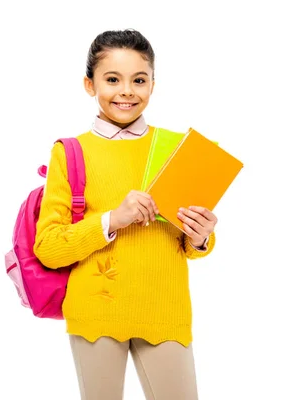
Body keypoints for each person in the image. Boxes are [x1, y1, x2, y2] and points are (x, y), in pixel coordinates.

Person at [34, 29, 218, 400]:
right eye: (112, 79)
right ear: (90, 84)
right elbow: (48, 248)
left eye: (139, 80)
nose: (127, 91)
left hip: (164, 307)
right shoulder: (70, 153)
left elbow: (189, 243)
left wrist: (201, 236)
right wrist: (112, 220)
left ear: (153, 83)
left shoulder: (177, 148)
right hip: (96, 311)